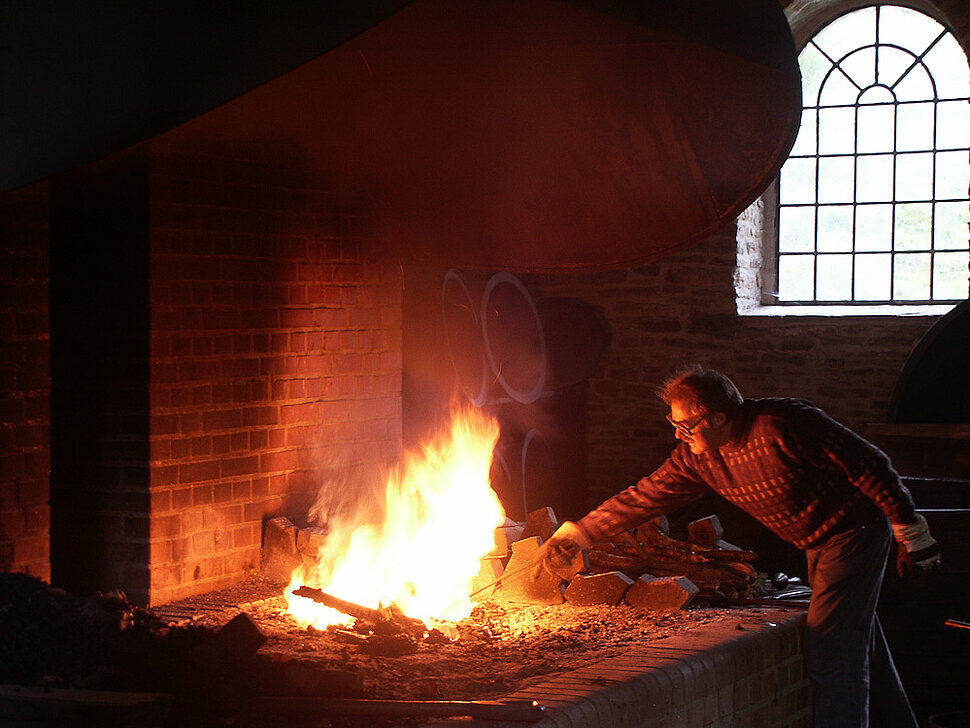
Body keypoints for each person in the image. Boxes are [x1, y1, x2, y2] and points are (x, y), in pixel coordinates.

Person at [542, 365, 940, 728]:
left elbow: (870, 465)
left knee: (831, 648)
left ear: (717, 417)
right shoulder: (696, 457)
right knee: (856, 635)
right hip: (817, 541)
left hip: (856, 531)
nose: (679, 433)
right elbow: (646, 495)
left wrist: (911, 533)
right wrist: (579, 534)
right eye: (674, 423)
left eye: (687, 424)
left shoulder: (784, 425)